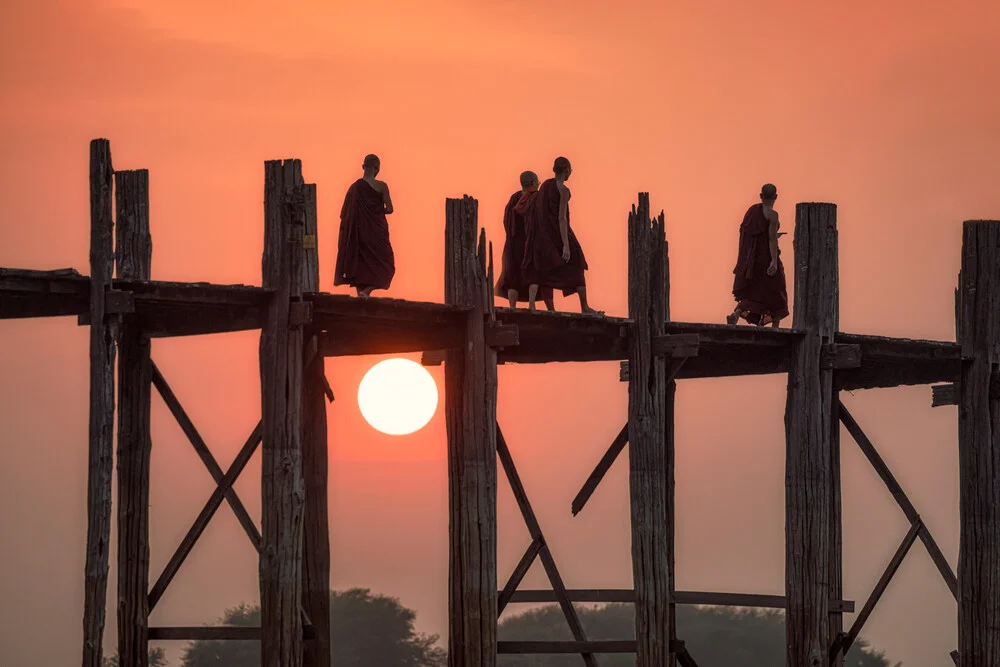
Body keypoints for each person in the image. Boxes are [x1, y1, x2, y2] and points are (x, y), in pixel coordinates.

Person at [521, 156, 601, 315]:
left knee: (540, 269)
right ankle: (584, 306)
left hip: (541, 236)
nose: (570, 172)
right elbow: (562, 218)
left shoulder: (545, 185)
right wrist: (566, 244)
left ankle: (535, 306)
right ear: (566, 170)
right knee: (577, 261)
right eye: (570, 170)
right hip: (556, 233)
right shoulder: (562, 190)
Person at [727, 183, 788, 327]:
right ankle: (775, 326)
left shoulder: (752, 211)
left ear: (761, 196)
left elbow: (750, 235)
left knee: (754, 290)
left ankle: (736, 314)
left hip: (752, 260)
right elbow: (771, 239)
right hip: (766, 257)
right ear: (776, 197)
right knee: (777, 286)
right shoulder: (773, 215)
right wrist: (773, 261)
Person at [334, 154, 395, 298]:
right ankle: (366, 292)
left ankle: (362, 294)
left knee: (360, 262)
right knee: (387, 264)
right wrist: (377, 211)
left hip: (358, 233)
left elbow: (344, 214)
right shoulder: (381, 186)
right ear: (377, 168)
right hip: (376, 231)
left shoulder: (354, 188)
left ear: (363, 167)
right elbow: (390, 208)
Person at [495, 171, 555, 310]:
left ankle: (512, 307)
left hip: (514, 242)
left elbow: (506, 220)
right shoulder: (537, 197)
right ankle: (533, 304)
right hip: (532, 241)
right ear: (534, 182)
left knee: (513, 276)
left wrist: (511, 236)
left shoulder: (514, 198)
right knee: (536, 273)